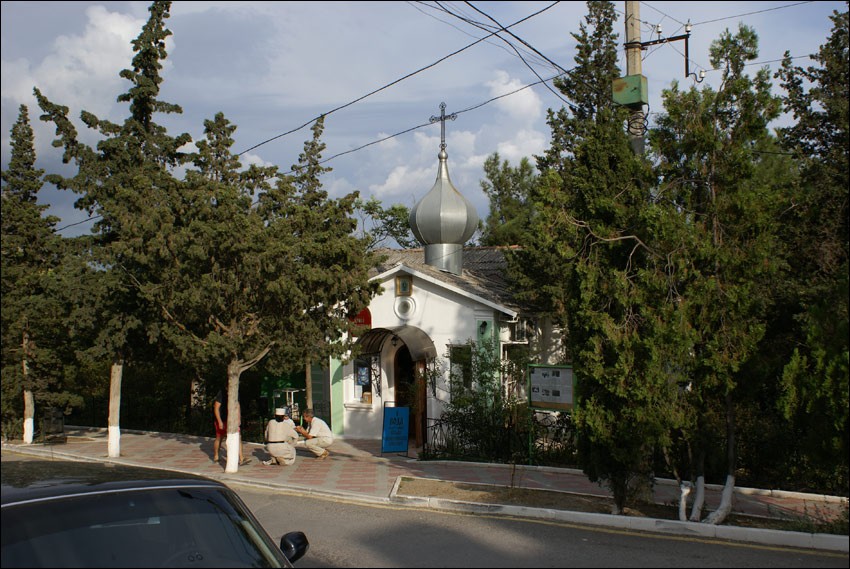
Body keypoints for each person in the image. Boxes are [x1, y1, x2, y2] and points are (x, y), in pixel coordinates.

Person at [213, 389, 251, 465]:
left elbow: (238, 405)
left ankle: (241, 458)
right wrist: (219, 421)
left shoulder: (235, 391)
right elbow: (216, 408)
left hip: (232, 419)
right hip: (222, 418)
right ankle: (216, 455)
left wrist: (238, 418)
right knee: (220, 437)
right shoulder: (222, 393)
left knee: (238, 437)